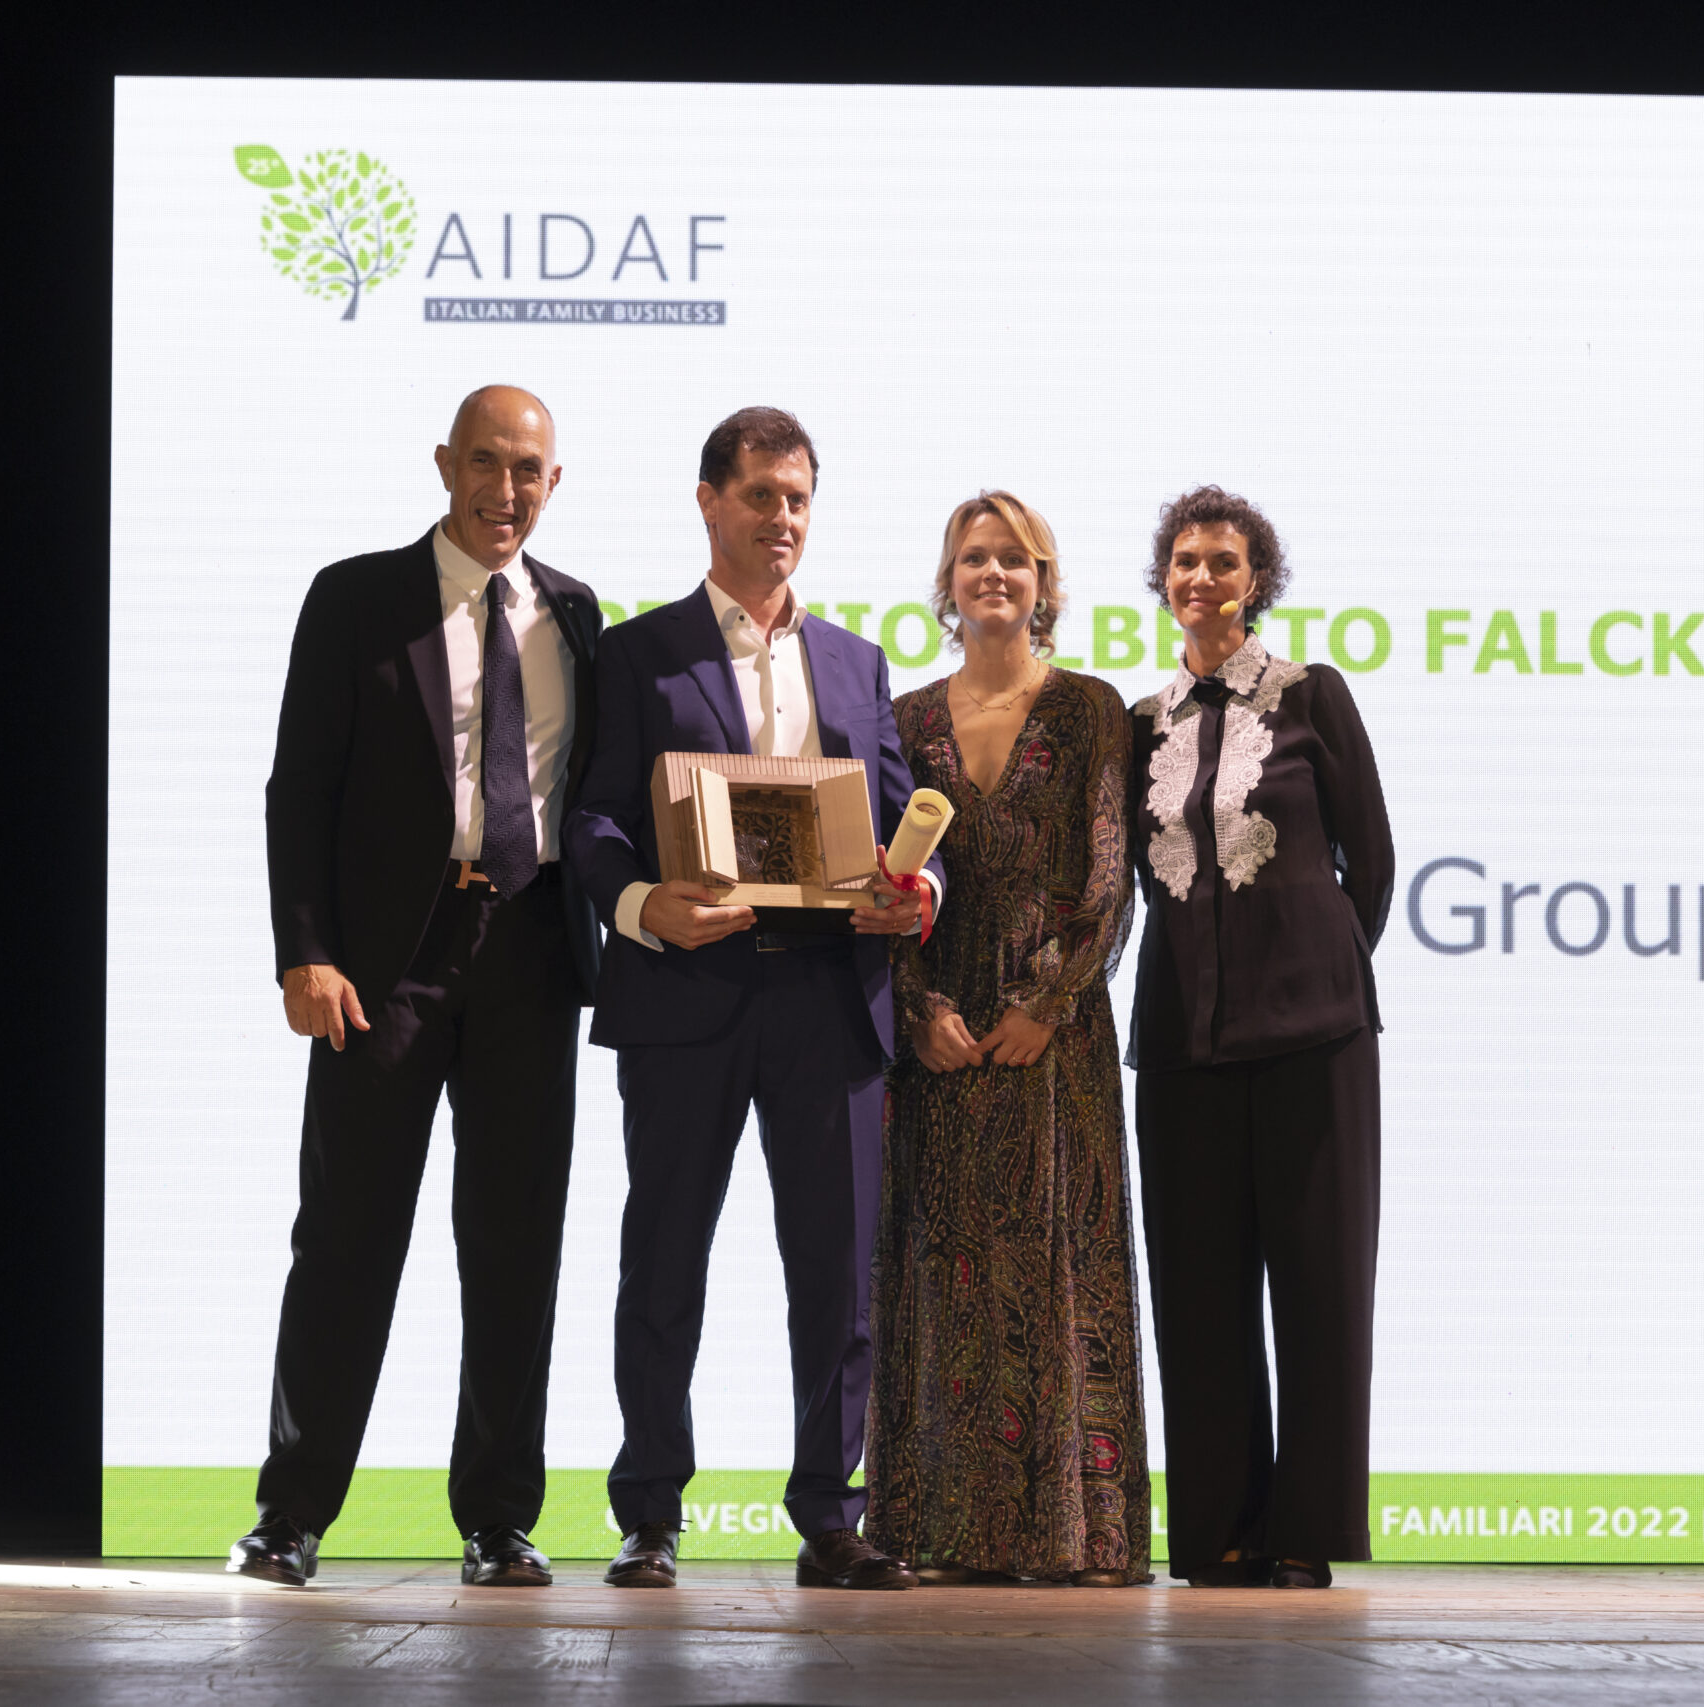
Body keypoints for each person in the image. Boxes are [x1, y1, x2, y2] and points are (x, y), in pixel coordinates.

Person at [563, 407, 943, 1592]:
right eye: (761, 495)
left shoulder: (855, 661)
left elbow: (899, 822)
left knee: (836, 1275)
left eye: (798, 499)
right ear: (708, 502)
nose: (782, 518)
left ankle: (831, 1515)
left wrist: (916, 892)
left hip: (830, 998)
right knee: (664, 1258)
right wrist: (642, 904)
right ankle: (648, 1512)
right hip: (686, 989)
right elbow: (593, 819)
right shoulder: (637, 651)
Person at [233, 385, 605, 1590]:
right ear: (446, 464)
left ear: (554, 483)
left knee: (515, 1251)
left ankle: (498, 1521)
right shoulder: (355, 597)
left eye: (528, 470)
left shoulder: (577, 614)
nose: (506, 490)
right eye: (486, 463)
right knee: (345, 1239)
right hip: (381, 967)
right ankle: (290, 1516)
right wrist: (303, 951)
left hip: (530, 950)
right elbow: (299, 788)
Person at [866, 491, 1151, 1587]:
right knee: (940, 1273)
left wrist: (1052, 1000)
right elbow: (880, 883)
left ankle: (1071, 1536)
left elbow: (1110, 875)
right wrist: (917, 1008)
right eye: (975, 557)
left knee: (1059, 1269)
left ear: (1044, 584)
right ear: (948, 583)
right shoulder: (900, 721)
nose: (994, 573)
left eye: (1015, 559)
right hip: (938, 1033)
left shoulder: (1090, 710)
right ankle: (936, 1530)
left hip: (1051, 1033)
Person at [1126, 486, 1393, 1590]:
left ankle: (1301, 1532)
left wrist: (1314, 966)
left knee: (1320, 1287)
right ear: (1163, 580)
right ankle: (1220, 1531)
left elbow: (1371, 862)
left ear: (1257, 581)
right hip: (1179, 1042)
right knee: (1198, 1293)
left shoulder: (1310, 694)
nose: (1202, 578)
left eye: (1223, 562)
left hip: (1312, 1035)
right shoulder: (1139, 724)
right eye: (1184, 561)